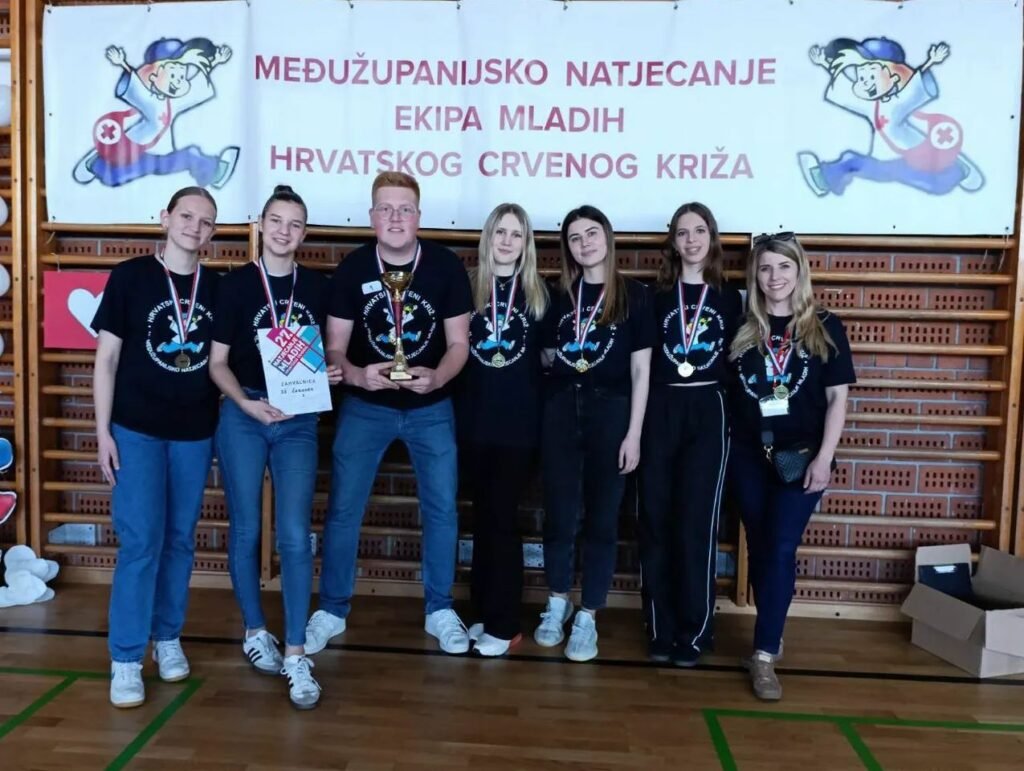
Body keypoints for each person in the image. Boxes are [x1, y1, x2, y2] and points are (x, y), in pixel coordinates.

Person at [305, 171, 474, 655]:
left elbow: (459, 344)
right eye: (386, 208)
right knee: (344, 509)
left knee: (441, 509)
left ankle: (439, 609)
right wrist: (357, 376)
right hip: (366, 406)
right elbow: (333, 349)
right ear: (371, 216)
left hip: (431, 406)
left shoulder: (444, 266)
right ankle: (332, 609)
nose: (395, 217)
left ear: (419, 216)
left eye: (405, 209)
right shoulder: (354, 268)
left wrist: (438, 378)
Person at [209, 185, 342, 709]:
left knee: (293, 533)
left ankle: (296, 652)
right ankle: (254, 630)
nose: (285, 231)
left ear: (304, 233)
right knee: (246, 528)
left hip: (298, 419)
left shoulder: (317, 287)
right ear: (261, 225)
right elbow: (218, 363)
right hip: (245, 415)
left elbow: (330, 351)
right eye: (277, 220)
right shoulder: (235, 286)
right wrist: (245, 404)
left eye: (295, 223)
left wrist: (330, 370)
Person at [92, 186, 221, 708]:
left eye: (205, 221)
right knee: (141, 542)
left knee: (180, 541)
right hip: (136, 430)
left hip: (194, 432)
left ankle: (167, 637)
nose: (194, 226)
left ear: (213, 233)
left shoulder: (218, 287)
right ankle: (126, 658)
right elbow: (106, 360)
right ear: (165, 218)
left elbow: (236, 359)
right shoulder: (130, 277)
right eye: (186, 216)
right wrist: (102, 431)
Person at [728, 232, 855, 700]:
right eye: (765, 268)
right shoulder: (742, 327)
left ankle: (763, 656)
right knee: (762, 547)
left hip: (801, 456)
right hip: (747, 455)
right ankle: (771, 632)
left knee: (781, 546)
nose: (774, 276)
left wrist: (824, 457)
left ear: (799, 271)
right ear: (755, 276)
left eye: (783, 266)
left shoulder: (823, 326)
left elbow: (837, 398)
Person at [536, 205, 654, 662]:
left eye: (591, 234)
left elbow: (641, 371)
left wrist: (634, 434)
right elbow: (546, 355)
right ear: (567, 247)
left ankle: (588, 613)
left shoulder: (634, 295)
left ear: (607, 236)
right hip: (562, 412)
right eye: (574, 237)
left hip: (613, 413)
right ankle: (557, 601)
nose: (584, 243)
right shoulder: (558, 294)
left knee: (603, 519)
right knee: (560, 515)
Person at [638, 203, 743, 667]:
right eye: (683, 233)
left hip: (708, 407)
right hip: (660, 405)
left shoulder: (730, 298)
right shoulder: (655, 296)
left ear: (712, 238)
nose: (692, 240)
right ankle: (659, 627)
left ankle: (695, 630)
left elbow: (739, 363)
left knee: (697, 523)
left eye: (700, 231)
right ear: (673, 242)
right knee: (655, 519)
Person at [457, 203, 548, 657]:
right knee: (482, 519)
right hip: (474, 424)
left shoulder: (539, 296)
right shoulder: (467, 288)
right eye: (501, 232)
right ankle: (484, 611)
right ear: (488, 237)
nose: (508, 241)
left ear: (526, 243)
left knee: (502, 521)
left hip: (518, 430)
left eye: (517, 234)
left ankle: (506, 623)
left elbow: (548, 362)